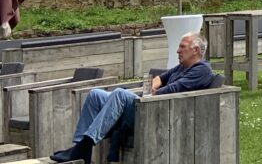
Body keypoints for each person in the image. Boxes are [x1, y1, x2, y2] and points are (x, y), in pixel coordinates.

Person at [51, 32, 213, 163]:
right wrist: (151, 88)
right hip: (151, 105)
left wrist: (150, 94)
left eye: (182, 47)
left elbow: (172, 90)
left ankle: (84, 146)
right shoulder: (181, 67)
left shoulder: (202, 70)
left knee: (120, 94)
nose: (178, 51)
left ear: (195, 50)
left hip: (163, 117)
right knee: (95, 95)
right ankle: (80, 147)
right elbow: (159, 78)